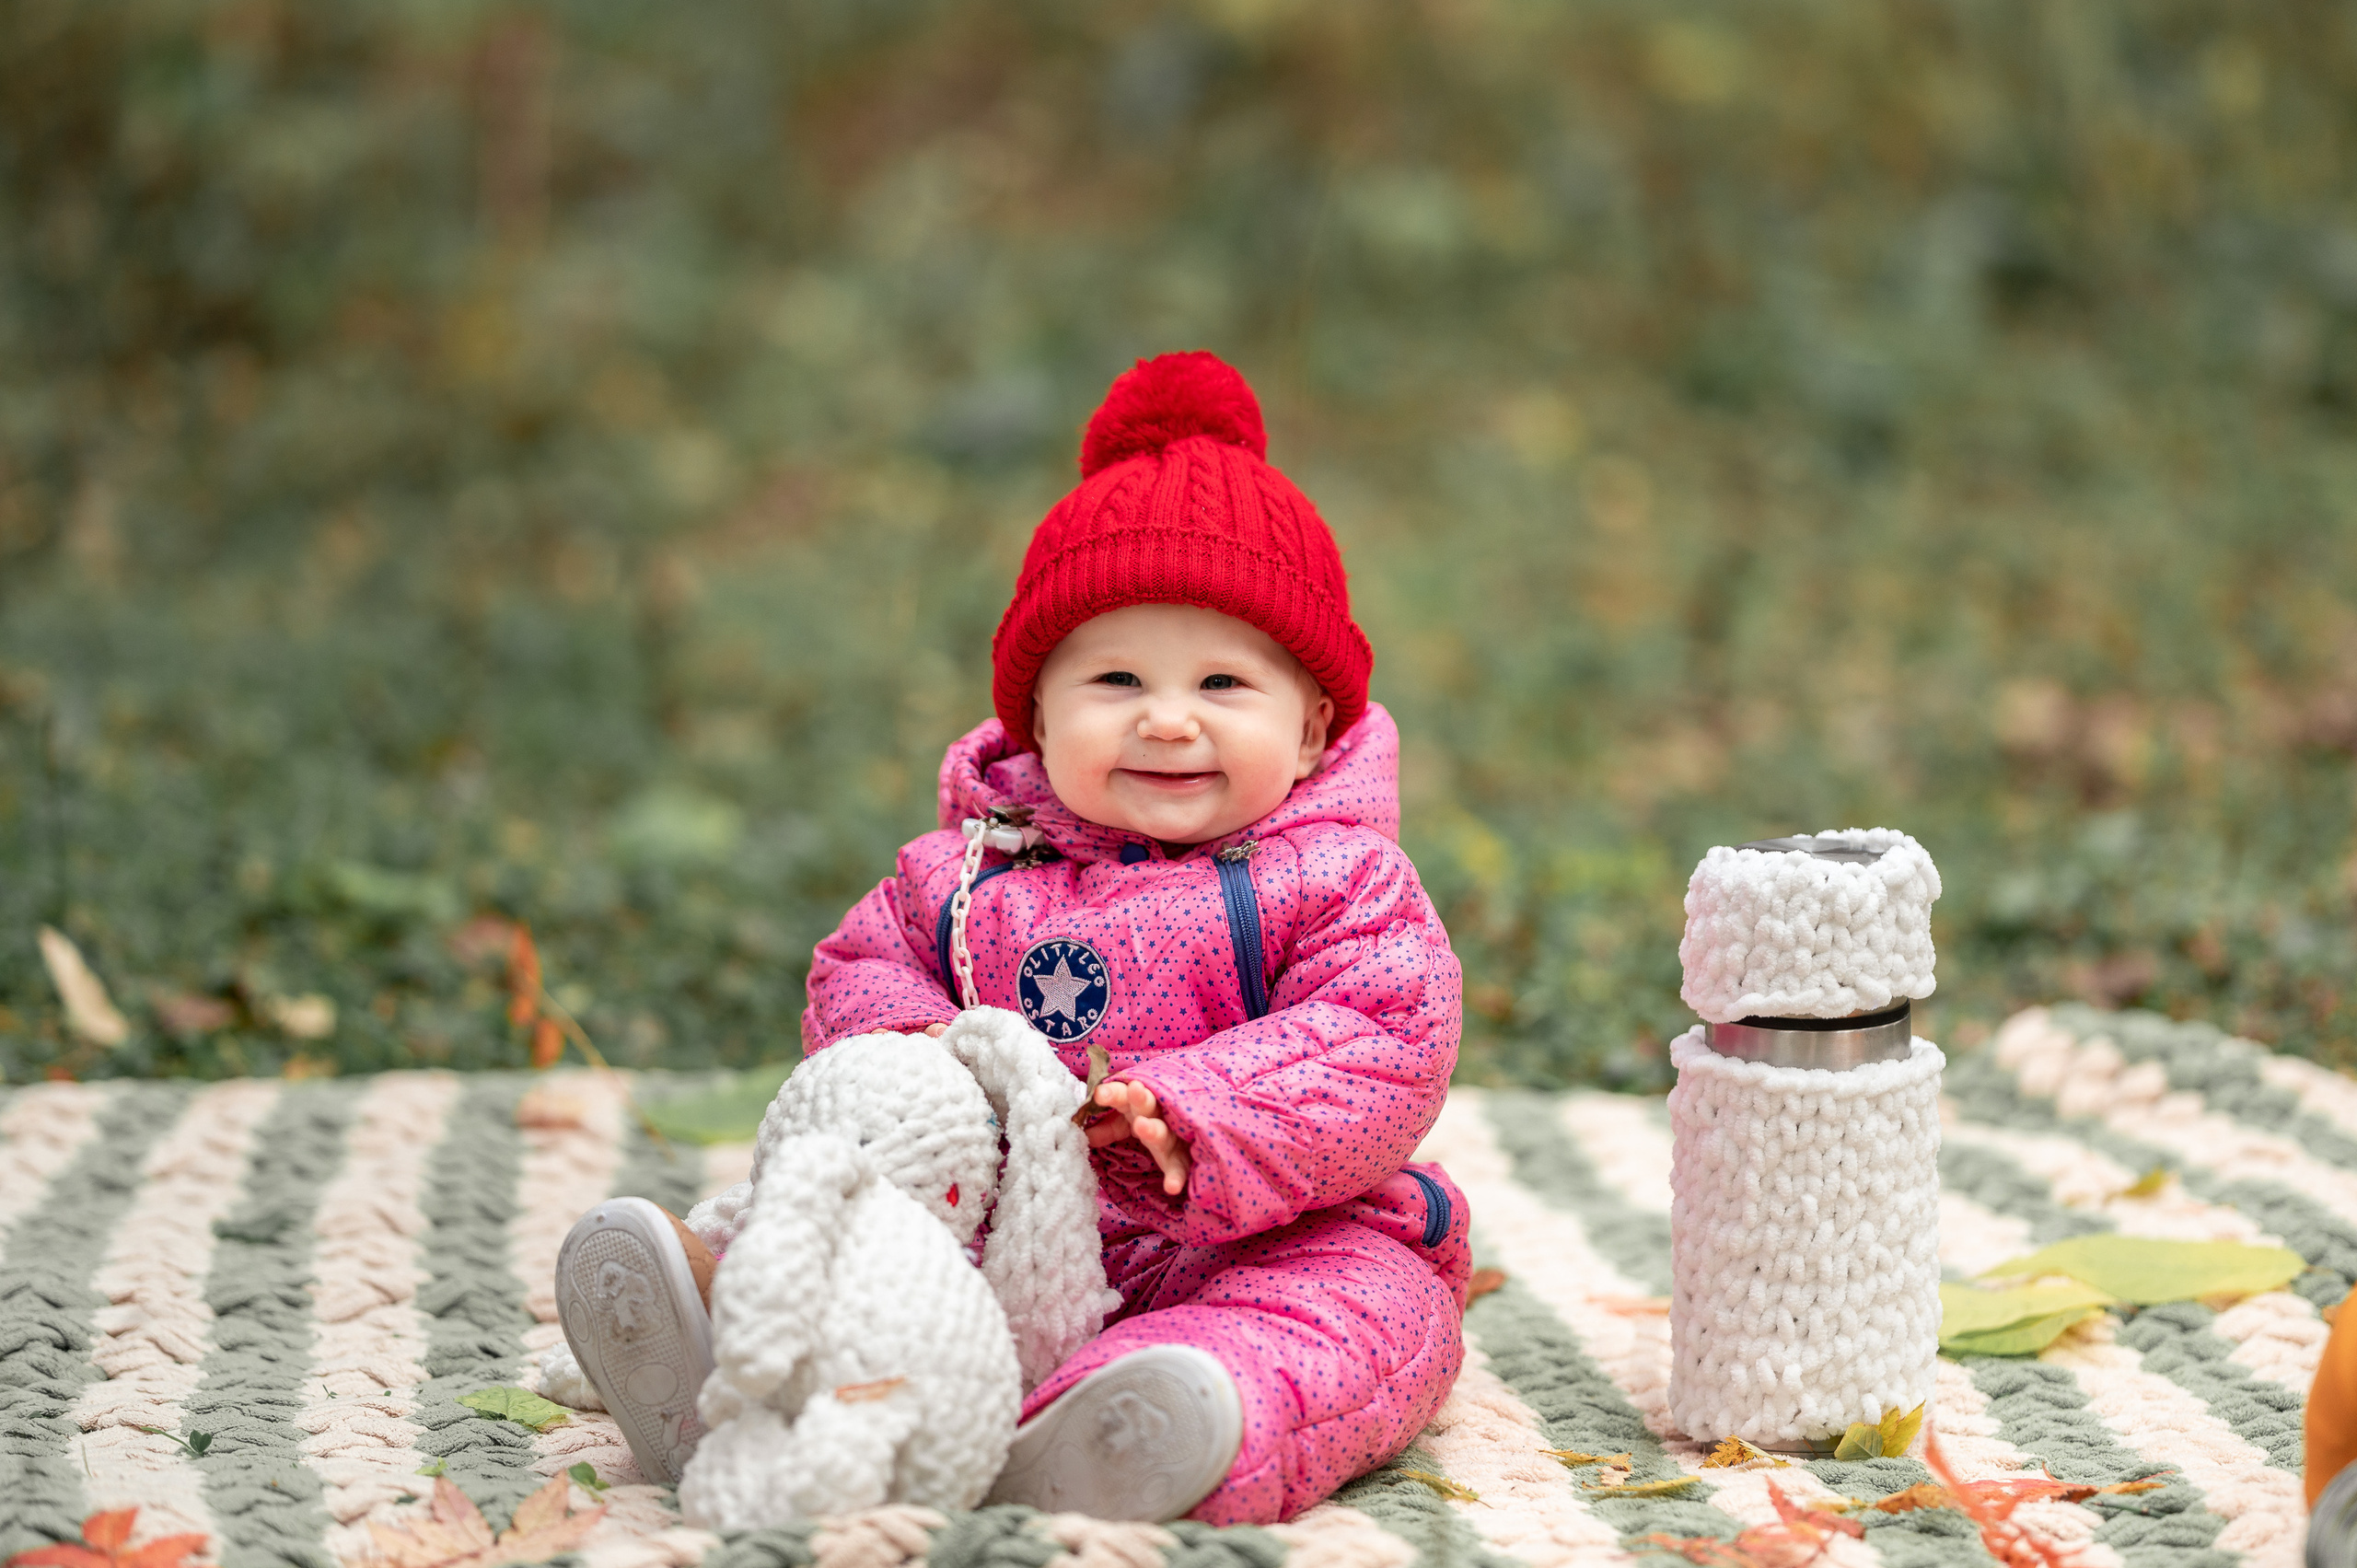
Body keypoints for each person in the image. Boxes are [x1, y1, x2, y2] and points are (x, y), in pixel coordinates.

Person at [556, 351, 1469, 1526]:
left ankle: (1163, 1412)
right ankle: (730, 1352)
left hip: (1259, 1234)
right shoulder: (965, 875)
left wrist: (1194, 1113)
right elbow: (862, 973)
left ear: (1310, 730)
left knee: (1371, 1309)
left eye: (1223, 683)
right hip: (993, 1229)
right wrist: (927, 1074)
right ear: (1037, 715)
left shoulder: (1339, 881)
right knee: (855, 1237)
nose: (1168, 718)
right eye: (1117, 677)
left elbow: (1379, 1033)